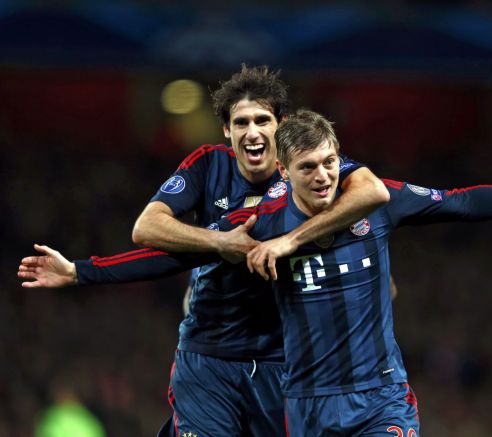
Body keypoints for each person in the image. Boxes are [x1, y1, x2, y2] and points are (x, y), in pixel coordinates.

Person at [21, 109, 492, 435]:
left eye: (332, 162)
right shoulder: (258, 224)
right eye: (309, 166)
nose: (324, 176)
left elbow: (463, 202)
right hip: (306, 404)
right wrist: (82, 272)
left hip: (381, 396)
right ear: (284, 171)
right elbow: (174, 254)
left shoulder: (378, 200)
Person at [19, 66, 389, 437]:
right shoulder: (208, 164)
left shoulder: (308, 166)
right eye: (240, 122)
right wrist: (220, 242)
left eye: (262, 120)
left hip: (285, 359)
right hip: (210, 351)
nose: (252, 132)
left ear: (282, 125)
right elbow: (146, 228)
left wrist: (294, 241)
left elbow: (372, 191)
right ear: (227, 129)